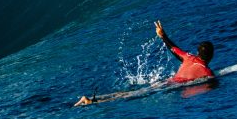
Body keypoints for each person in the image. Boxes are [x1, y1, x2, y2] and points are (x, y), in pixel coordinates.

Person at [73, 21, 215, 106]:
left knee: (128, 93)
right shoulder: (207, 72)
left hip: (164, 82)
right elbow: (207, 86)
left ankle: (94, 99)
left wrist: (163, 35)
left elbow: (173, 48)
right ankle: (92, 102)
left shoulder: (189, 57)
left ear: (198, 52)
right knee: (131, 95)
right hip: (169, 86)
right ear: (211, 55)